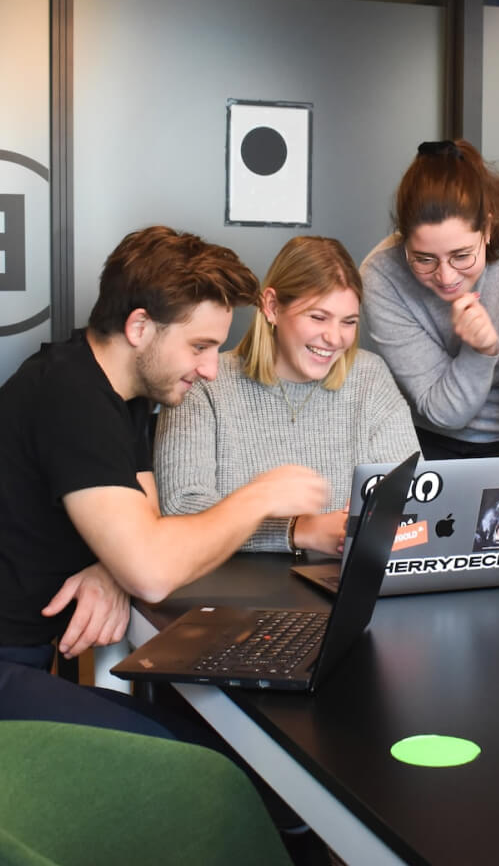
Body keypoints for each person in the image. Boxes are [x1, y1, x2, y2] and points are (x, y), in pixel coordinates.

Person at [0, 226, 329, 733]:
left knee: (207, 739)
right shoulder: (69, 395)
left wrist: (112, 565)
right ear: (139, 327)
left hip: (26, 656)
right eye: (199, 346)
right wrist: (261, 496)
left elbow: (145, 520)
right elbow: (152, 570)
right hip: (8, 663)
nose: (210, 369)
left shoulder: (120, 393)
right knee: (199, 755)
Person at [360, 139, 499, 526]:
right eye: (424, 259)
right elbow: (445, 411)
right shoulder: (381, 277)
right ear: (403, 240)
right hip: (434, 446)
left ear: (490, 226)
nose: (445, 277)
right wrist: (480, 351)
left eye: (462, 256)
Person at [155, 235, 420, 554]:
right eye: (318, 317)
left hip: (338, 581)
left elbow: (416, 501)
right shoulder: (203, 382)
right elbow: (181, 511)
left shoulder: (370, 378)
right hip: (229, 586)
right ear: (271, 306)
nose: (334, 338)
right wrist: (296, 530)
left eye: (348, 322)